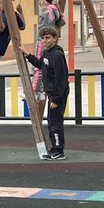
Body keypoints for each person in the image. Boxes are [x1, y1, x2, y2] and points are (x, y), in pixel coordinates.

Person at [23, 27, 69, 160]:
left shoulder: (57, 55)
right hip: (52, 94)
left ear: (55, 38)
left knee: (55, 122)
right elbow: (40, 64)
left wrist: (56, 99)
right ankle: (54, 148)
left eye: (48, 38)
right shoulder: (46, 53)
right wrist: (27, 54)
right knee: (51, 121)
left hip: (57, 94)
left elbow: (61, 79)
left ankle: (59, 150)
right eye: (43, 38)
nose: (45, 40)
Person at [32, 0, 64, 124]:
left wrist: (43, 36)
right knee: (43, 66)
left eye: (40, 0)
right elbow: (61, 22)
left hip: (43, 40)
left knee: (39, 65)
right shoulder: (56, 9)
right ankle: (39, 90)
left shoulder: (46, 11)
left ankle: (35, 90)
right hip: (50, 37)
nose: (39, 2)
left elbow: (45, 27)